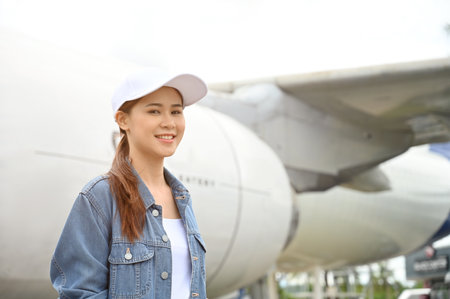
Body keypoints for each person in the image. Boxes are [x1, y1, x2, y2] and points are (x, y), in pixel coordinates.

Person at [50, 68, 208, 299]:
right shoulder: (99, 198)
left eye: (176, 111)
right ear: (123, 120)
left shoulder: (182, 199)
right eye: (154, 111)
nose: (169, 122)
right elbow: (80, 293)